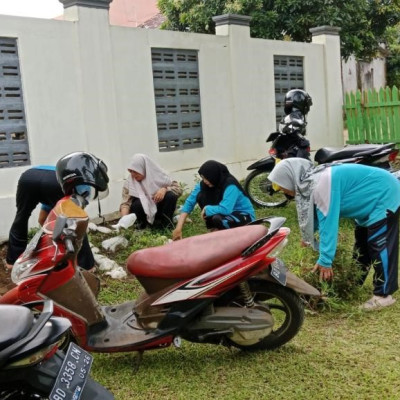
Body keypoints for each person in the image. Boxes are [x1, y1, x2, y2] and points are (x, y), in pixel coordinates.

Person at [268, 158, 400, 310]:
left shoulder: (321, 184)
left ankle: (384, 296)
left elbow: (328, 222)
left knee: (379, 244)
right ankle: (353, 283)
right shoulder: (310, 183)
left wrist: (325, 259)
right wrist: (308, 238)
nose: (283, 190)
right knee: (362, 247)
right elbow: (315, 213)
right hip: (368, 203)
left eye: (282, 185)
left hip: (385, 194)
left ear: (290, 177)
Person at [5, 165, 95, 271]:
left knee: (22, 217)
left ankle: (12, 261)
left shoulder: (66, 176)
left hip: (28, 177)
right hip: (55, 182)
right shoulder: (84, 187)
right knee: (76, 222)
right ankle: (86, 266)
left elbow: (42, 219)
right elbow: (78, 219)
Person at [172, 160, 255, 240]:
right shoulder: (204, 184)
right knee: (201, 196)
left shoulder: (230, 185)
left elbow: (226, 209)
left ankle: (229, 236)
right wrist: (178, 228)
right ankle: (216, 229)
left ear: (213, 175)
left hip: (243, 216)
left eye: (206, 178)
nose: (205, 181)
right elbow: (189, 203)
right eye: (203, 178)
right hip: (225, 215)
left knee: (217, 218)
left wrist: (207, 208)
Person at [120, 154, 182, 229]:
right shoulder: (130, 182)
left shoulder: (159, 175)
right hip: (143, 213)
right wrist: (124, 220)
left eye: (135, 171)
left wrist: (164, 189)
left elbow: (179, 189)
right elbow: (125, 203)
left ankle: (166, 225)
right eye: (131, 171)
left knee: (170, 196)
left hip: (159, 209)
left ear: (143, 168)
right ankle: (143, 227)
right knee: (138, 203)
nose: (133, 175)